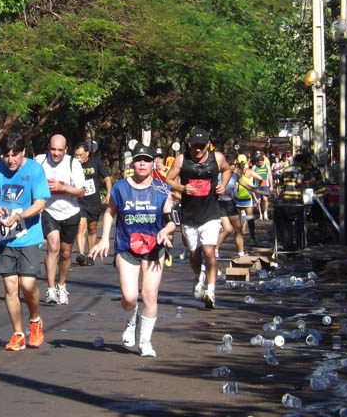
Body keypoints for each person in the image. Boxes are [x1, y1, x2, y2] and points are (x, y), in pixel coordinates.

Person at [90, 143, 175, 357]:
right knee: (129, 297)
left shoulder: (162, 189)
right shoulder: (120, 188)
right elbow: (109, 212)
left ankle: (145, 341)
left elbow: (172, 220)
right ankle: (131, 319)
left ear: (153, 163)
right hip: (126, 246)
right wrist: (104, 239)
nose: (143, 164)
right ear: (132, 163)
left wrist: (165, 231)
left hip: (154, 248)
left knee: (149, 295)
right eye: (139, 160)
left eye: (147, 160)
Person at [0, 131, 50, 351]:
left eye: (14, 155)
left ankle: (35, 319)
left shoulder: (35, 170)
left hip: (28, 236)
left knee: (27, 285)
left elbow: (40, 204)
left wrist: (20, 216)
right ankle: (18, 333)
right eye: (6, 155)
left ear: (23, 152)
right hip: (5, 239)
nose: (10, 160)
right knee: (11, 287)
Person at [165, 128, 231, 310]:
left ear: (208, 145)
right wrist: (182, 188)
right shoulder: (182, 159)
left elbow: (227, 170)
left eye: (202, 146)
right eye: (195, 146)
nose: (198, 150)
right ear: (190, 145)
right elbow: (168, 179)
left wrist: (223, 185)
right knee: (194, 255)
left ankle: (211, 291)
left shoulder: (217, 158)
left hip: (211, 212)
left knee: (209, 251)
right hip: (190, 214)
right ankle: (198, 275)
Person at [35, 134, 85, 305]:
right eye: (53, 149)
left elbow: (81, 191)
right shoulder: (40, 161)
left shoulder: (73, 164)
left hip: (70, 212)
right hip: (48, 211)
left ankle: (61, 285)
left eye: (59, 150)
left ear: (66, 150)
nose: (56, 153)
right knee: (53, 246)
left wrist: (61, 187)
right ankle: (50, 289)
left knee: (66, 252)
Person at [73, 142, 112, 267]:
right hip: (79, 201)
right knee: (81, 226)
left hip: (93, 201)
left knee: (92, 228)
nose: (78, 157)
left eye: (81, 155)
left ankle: (90, 255)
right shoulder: (73, 165)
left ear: (87, 153)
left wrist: (109, 193)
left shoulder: (96, 162)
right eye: (76, 155)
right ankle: (81, 255)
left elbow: (107, 178)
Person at [253, 153, 273, 220]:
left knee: (265, 199)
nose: (260, 164)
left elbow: (270, 176)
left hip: (265, 185)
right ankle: (260, 214)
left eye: (261, 162)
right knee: (258, 200)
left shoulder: (267, 167)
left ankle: (265, 212)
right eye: (259, 162)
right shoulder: (254, 167)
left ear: (263, 161)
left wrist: (271, 186)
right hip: (257, 185)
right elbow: (252, 176)